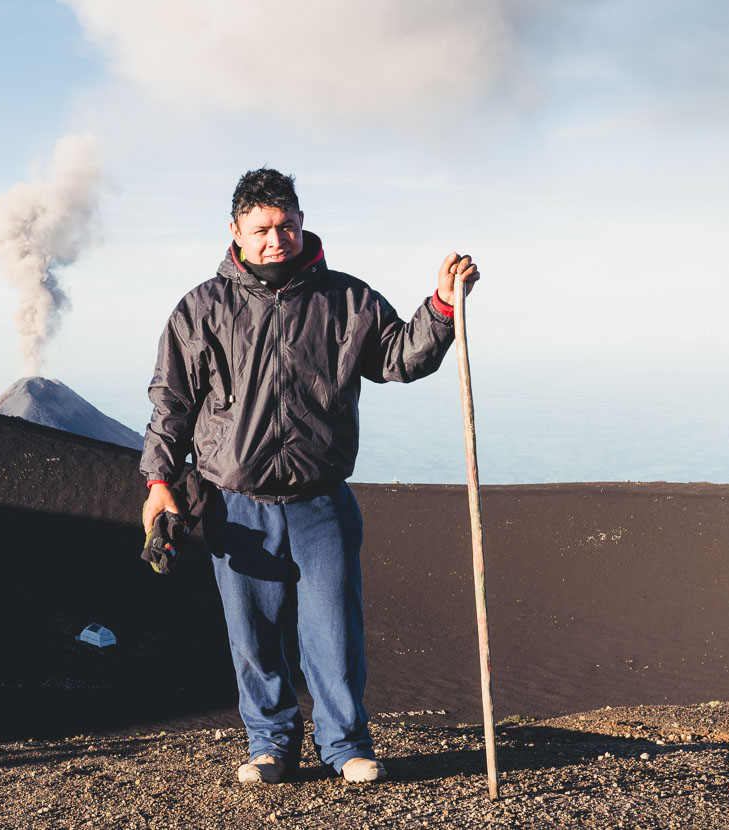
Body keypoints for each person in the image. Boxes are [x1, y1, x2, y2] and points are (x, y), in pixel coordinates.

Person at [139, 168, 479, 784]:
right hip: (234, 503)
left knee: (333, 630)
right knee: (254, 636)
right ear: (237, 231)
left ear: (302, 223)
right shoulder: (201, 309)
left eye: (287, 225)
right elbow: (172, 403)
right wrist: (158, 481)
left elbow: (398, 358)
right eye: (264, 228)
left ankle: (346, 745)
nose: (278, 239)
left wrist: (440, 309)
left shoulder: (346, 300)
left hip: (321, 499)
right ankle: (270, 745)